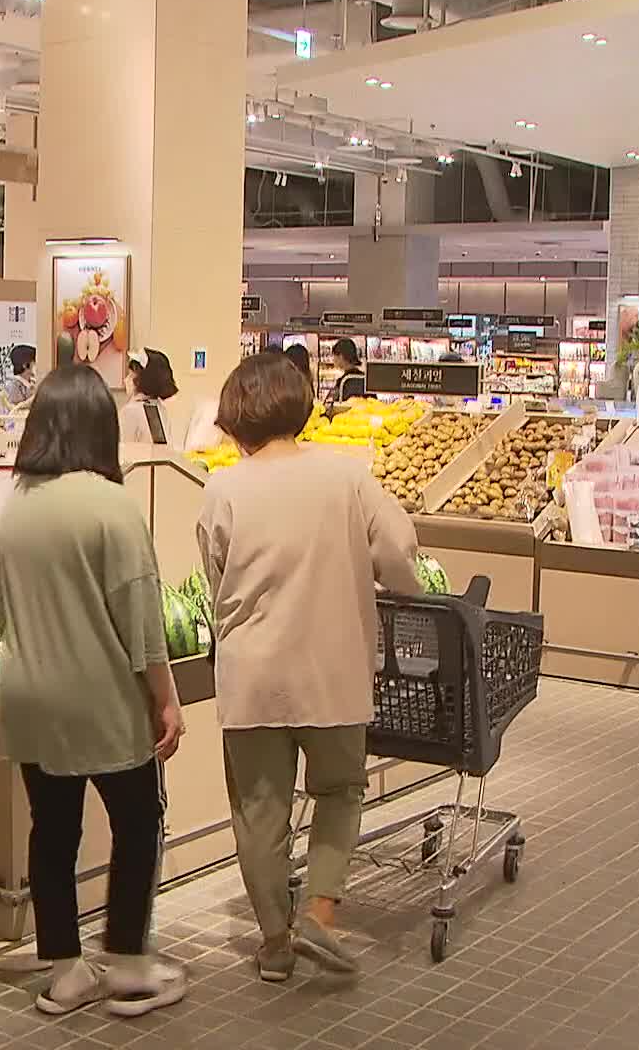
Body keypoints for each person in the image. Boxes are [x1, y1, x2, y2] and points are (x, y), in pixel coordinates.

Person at [197, 353, 420, 982]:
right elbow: (399, 549)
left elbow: (217, 578)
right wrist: (398, 591)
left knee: (260, 809)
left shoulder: (223, 487)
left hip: (252, 675)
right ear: (301, 403)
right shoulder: (348, 477)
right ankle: (319, 909)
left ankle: (273, 943)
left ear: (235, 413)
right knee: (340, 790)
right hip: (334, 664)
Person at [0, 365, 186, 1018]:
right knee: (138, 823)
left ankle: (66, 971)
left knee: (53, 831)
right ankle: (129, 966)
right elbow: (142, 620)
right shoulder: (112, 506)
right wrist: (167, 698)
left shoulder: (18, 506)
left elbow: (6, 612)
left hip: (27, 698)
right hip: (98, 701)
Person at [118, 348, 179, 445]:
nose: (125, 380)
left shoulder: (130, 411)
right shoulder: (160, 408)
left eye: (130, 375)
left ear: (141, 380)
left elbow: (121, 450)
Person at [329, 338, 367, 404]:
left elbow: (339, 404)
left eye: (334, 356)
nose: (333, 359)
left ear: (341, 356)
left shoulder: (343, 381)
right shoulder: (365, 379)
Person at [0, 344, 38, 410]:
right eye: (34, 362)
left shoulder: (33, 382)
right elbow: (15, 410)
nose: (37, 365)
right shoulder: (13, 386)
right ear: (25, 365)